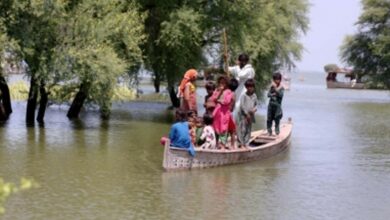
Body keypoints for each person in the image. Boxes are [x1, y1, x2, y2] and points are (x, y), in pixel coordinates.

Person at [228, 53, 255, 119]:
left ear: (246, 61)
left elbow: (241, 75)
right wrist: (226, 59)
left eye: (244, 61)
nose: (242, 62)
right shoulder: (237, 68)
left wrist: (236, 68)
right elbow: (227, 68)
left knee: (241, 109)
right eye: (241, 60)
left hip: (245, 92)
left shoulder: (249, 69)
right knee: (235, 108)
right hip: (237, 92)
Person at [210, 76, 234, 149]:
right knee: (215, 127)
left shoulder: (229, 92)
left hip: (224, 113)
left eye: (223, 82)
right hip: (217, 112)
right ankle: (217, 143)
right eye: (220, 82)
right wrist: (220, 92)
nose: (222, 84)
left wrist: (219, 101)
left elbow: (226, 101)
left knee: (223, 128)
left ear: (227, 83)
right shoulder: (217, 91)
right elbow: (213, 99)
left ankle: (223, 145)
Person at [237, 79, 258, 147]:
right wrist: (246, 114)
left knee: (248, 130)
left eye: (251, 87)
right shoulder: (244, 96)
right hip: (243, 116)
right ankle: (241, 143)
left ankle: (246, 143)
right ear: (246, 87)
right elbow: (242, 106)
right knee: (242, 129)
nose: (250, 88)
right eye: (248, 87)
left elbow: (256, 105)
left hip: (251, 115)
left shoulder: (254, 96)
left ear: (253, 87)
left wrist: (254, 109)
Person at [228, 78, 239, 149]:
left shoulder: (228, 93)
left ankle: (230, 144)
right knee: (232, 131)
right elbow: (233, 106)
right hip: (231, 113)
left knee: (229, 130)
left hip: (227, 113)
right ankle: (232, 145)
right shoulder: (234, 94)